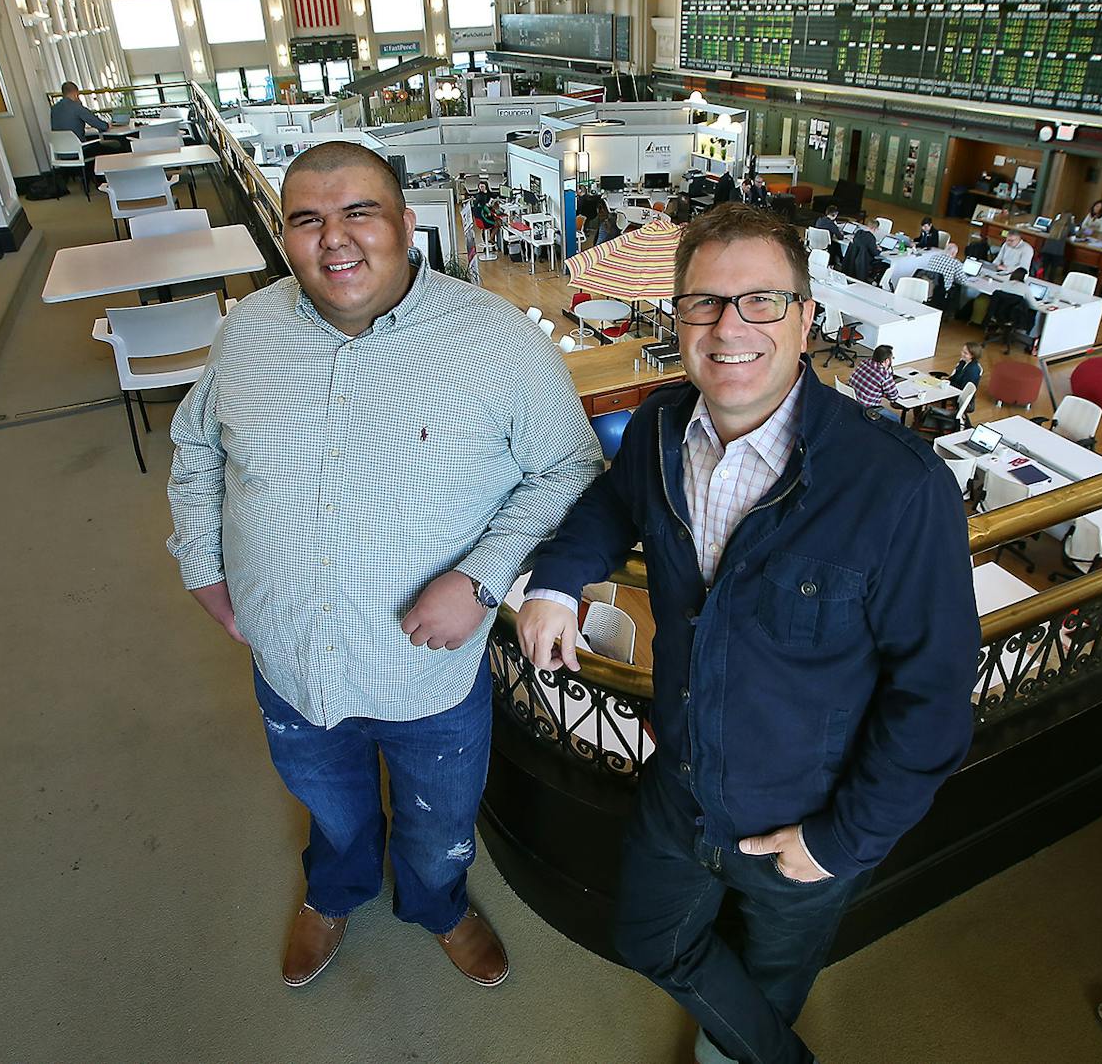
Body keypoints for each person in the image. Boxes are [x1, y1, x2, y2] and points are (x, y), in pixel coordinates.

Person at [516, 204, 977, 1064]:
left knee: (771, 986)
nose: (731, 327)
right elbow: (612, 506)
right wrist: (555, 578)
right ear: (679, 317)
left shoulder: (898, 488)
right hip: (682, 781)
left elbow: (937, 697)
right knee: (648, 936)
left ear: (807, 321)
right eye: (705, 304)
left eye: (762, 301)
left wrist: (840, 841)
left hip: (801, 818)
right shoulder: (658, 428)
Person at [166, 142, 601, 993]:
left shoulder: (495, 342)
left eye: (359, 211)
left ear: (408, 224)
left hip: (427, 675)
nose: (336, 239)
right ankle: (335, 891)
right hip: (292, 659)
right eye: (308, 219)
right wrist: (202, 565)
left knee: (441, 819)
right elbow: (194, 448)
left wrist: (481, 578)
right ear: (284, 236)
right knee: (329, 808)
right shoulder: (248, 332)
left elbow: (572, 469)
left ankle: (438, 905)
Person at [49, 81, 129, 170]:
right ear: (76, 93)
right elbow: (100, 125)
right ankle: (108, 176)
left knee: (93, 141)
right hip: (79, 151)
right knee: (116, 147)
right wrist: (107, 125)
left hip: (61, 153)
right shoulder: (76, 107)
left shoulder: (54, 109)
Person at [849, 344, 903, 422]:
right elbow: (893, 397)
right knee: (896, 419)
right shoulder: (884, 375)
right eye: (892, 358)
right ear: (887, 361)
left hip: (852, 401)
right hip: (867, 408)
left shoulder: (863, 363)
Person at [842, 215, 883, 283]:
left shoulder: (859, 232)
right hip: (862, 263)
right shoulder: (871, 238)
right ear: (875, 229)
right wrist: (879, 249)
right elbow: (875, 253)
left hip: (851, 263)